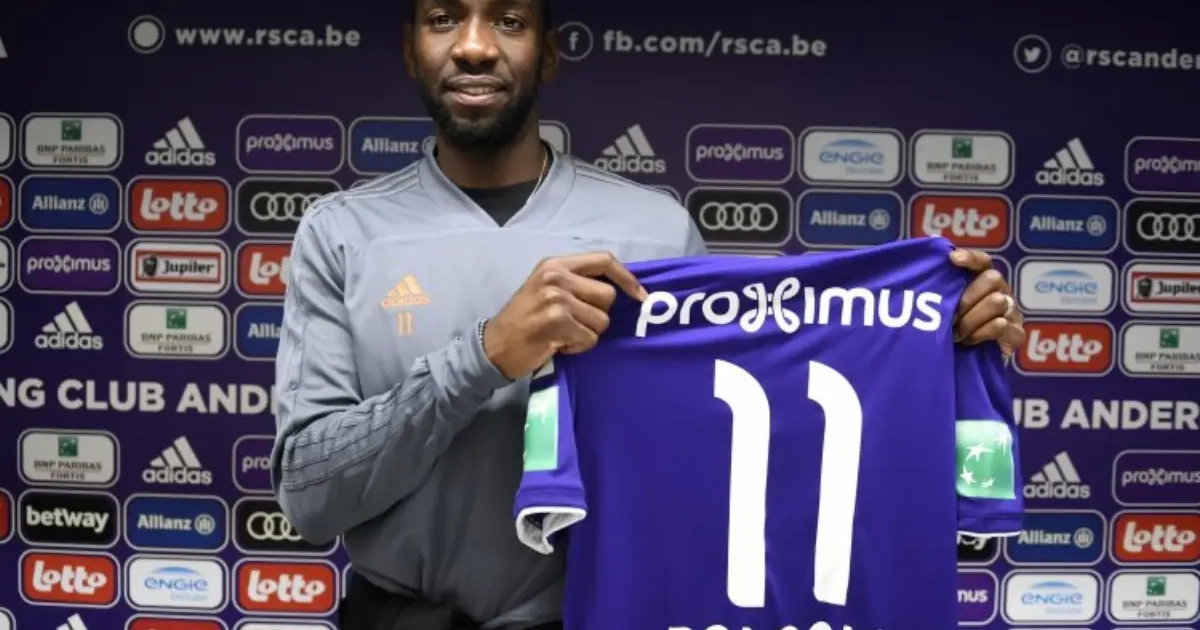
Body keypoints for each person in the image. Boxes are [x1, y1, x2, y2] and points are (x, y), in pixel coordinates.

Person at [270, 0, 1028, 628]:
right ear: (412, 50)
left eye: (508, 20)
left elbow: (745, 451)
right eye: (443, 19)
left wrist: (934, 342)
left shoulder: (655, 233)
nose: (474, 46)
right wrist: (486, 353)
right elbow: (308, 496)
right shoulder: (342, 234)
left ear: (549, 53)